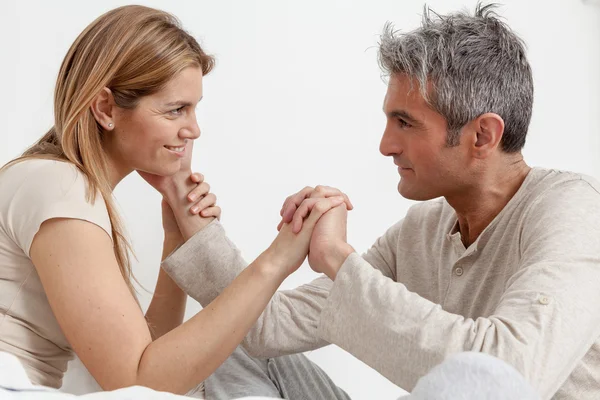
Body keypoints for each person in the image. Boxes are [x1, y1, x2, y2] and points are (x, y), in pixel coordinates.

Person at [161, 3, 600, 399]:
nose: (386, 145)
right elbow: (262, 325)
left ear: (482, 135)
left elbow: (503, 379)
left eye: (405, 123)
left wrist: (335, 256)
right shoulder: (422, 229)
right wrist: (182, 194)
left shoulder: (573, 211)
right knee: (222, 345)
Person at [0, 5, 351, 399]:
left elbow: (151, 357)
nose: (194, 129)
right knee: (241, 348)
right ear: (105, 109)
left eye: (194, 108)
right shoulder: (59, 187)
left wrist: (176, 236)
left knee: (238, 345)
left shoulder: (61, 186)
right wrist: (277, 260)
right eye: (176, 110)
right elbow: (138, 383)